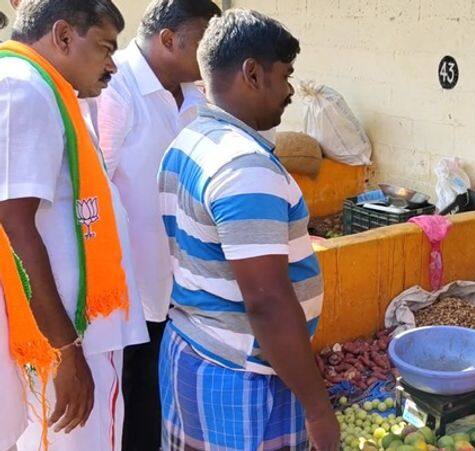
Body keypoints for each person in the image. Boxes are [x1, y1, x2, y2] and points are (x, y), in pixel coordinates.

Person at [157, 9, 339, 451]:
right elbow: (268, 304)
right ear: (252, 73)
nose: (292, 90)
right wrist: (317, 407)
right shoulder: (244, 167)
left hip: (194, 346)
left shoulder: (189, 142)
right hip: (242, 379)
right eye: (286, 75)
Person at [0, 1, 147, 450]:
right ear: (63, 36)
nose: (112, 67)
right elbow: (13, 223)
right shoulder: (23, 88)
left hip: (80, 328)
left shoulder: (53, 91)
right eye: (105, 48)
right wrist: (66, 349)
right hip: (61, 338)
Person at [94, 1, 220, 449]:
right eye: (204, 44)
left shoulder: (197, 94)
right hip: (129, 286)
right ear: (168, 40)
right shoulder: (116, 88)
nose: (212, 57)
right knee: (135, 400)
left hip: (183, 282)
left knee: (166, 394)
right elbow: (95, 188)